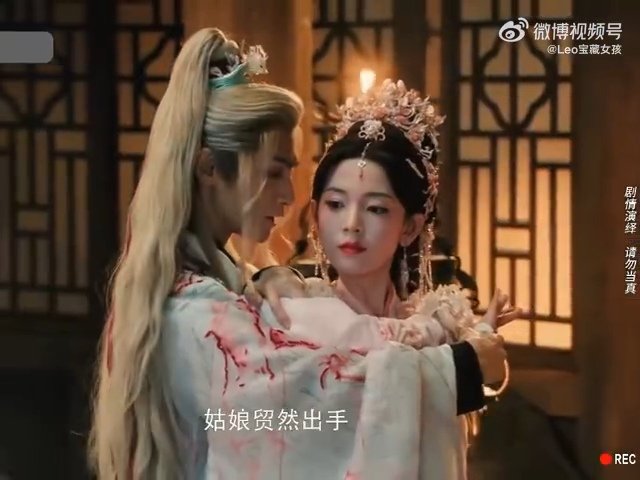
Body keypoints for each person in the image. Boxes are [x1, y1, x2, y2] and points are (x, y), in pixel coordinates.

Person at [89, 28, 508, 480]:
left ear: (411, 225)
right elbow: (314, 401)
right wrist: (461, 368)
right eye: (274, 173)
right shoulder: (192, 312)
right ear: (210, 168)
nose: (290, 197)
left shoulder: (246, 286)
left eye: (376, 208)